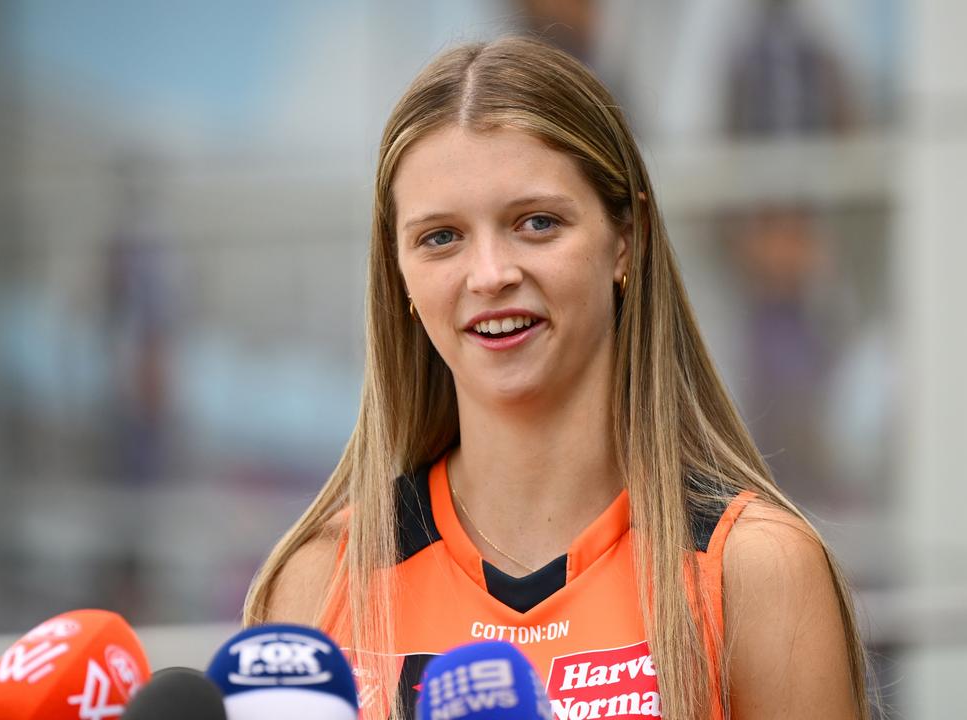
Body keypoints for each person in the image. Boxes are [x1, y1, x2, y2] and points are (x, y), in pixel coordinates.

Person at [243, 37, 871, 720]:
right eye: (441, 237)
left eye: (537, 223)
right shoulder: (319, 585)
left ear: (624, 241)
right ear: (400, 277)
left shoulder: (754, 571)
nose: (490, 274)